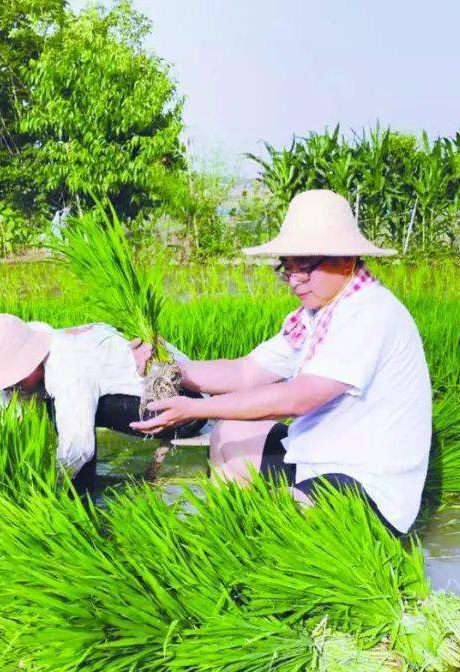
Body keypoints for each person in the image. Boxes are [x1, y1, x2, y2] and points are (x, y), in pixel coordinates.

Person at [129, 189, 432, 536]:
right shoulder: (316, 316)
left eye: (305, 269)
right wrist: (169, 369)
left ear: (346, 261)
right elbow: (245, 372)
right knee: (230, 435)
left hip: (367, 482)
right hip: (318, 459)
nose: (295, 282)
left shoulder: (370, 314)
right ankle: (224, 532)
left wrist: (194, 410)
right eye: (287, 270)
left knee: (278, 530)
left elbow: (297, 398)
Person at [0, 315, 206, 489]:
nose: (12, 386)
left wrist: (52, 486)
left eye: (15, 376)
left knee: (61, 411)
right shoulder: (28, 369)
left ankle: (81, 494)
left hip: (187, 409)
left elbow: (78, 447)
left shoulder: (68, 366)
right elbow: (11, 425)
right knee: (60, 408)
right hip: (151, 400)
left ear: (31, 357)